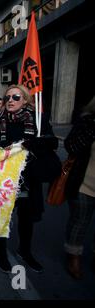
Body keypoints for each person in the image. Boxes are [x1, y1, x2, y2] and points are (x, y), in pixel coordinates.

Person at [0, 84, 59, 274]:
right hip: (4, 179)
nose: (10, 101)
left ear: (25, 100)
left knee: (26, 218)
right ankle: (1, 254)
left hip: (28, 179)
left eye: (15, 97)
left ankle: (25, 251)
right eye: (7, 98)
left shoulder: (38, 120)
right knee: (3, 218)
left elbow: (52, 143)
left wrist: (34, 143)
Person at [63, 95, 95, 279]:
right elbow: (71, 146)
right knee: (80, 222)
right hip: (84, 184)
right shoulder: (87, 123)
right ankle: (73, 256)